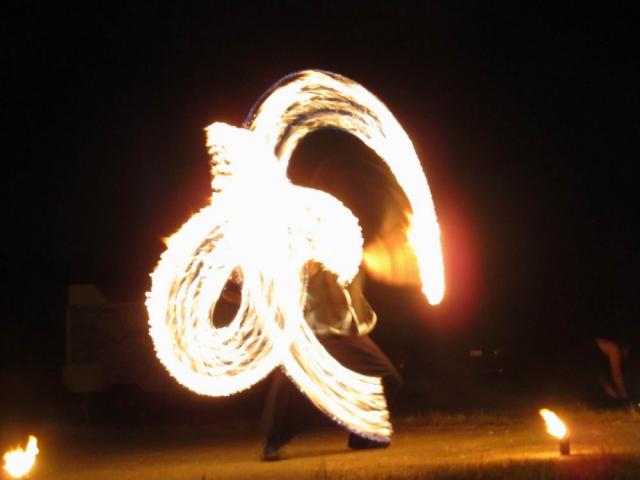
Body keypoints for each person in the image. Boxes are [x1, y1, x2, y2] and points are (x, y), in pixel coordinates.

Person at [260, 261, 402, 461]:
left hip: (346, 332)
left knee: (387, 376)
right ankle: (273, 442)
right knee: (288, 386)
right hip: (312, 336)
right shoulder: (293, 263)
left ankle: (363, 434)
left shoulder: (338, 257)